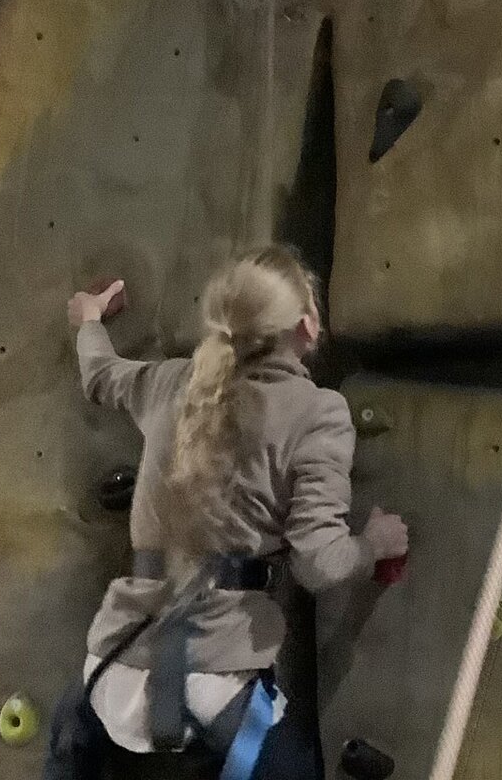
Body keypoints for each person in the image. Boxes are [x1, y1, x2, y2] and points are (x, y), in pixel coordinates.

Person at [44, 246, 409, 779]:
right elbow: (319, 564)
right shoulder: (317, 414)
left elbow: (100, 375)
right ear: (307, 325)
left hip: (112, 668)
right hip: (214, 683)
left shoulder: (171, 382)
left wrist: (90, 320)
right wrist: (375, 543)